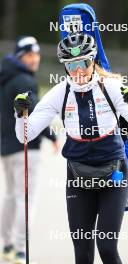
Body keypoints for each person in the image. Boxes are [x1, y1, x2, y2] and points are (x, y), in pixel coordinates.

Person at [14, 33, 128, 264]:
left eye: (83, 63)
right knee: (83, 254)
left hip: (114, 174)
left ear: (93, 61)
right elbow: (24, 136)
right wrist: (20, 114)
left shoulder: (111, 86)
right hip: (78, 176)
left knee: (107, 247)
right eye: (71, 65)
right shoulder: (60, 93)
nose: (78, 71)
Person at [0, 36, 58, 264]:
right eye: (29, 55)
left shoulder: (5, 77)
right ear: (20, 56)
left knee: (12, 196)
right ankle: (20, 249)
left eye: (37, 55)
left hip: (6, 147)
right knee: (26, 198)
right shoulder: (25, 81)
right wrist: (52, 136)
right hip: (26, 148)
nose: (35, 59)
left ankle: (6, 244)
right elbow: (35, 115)